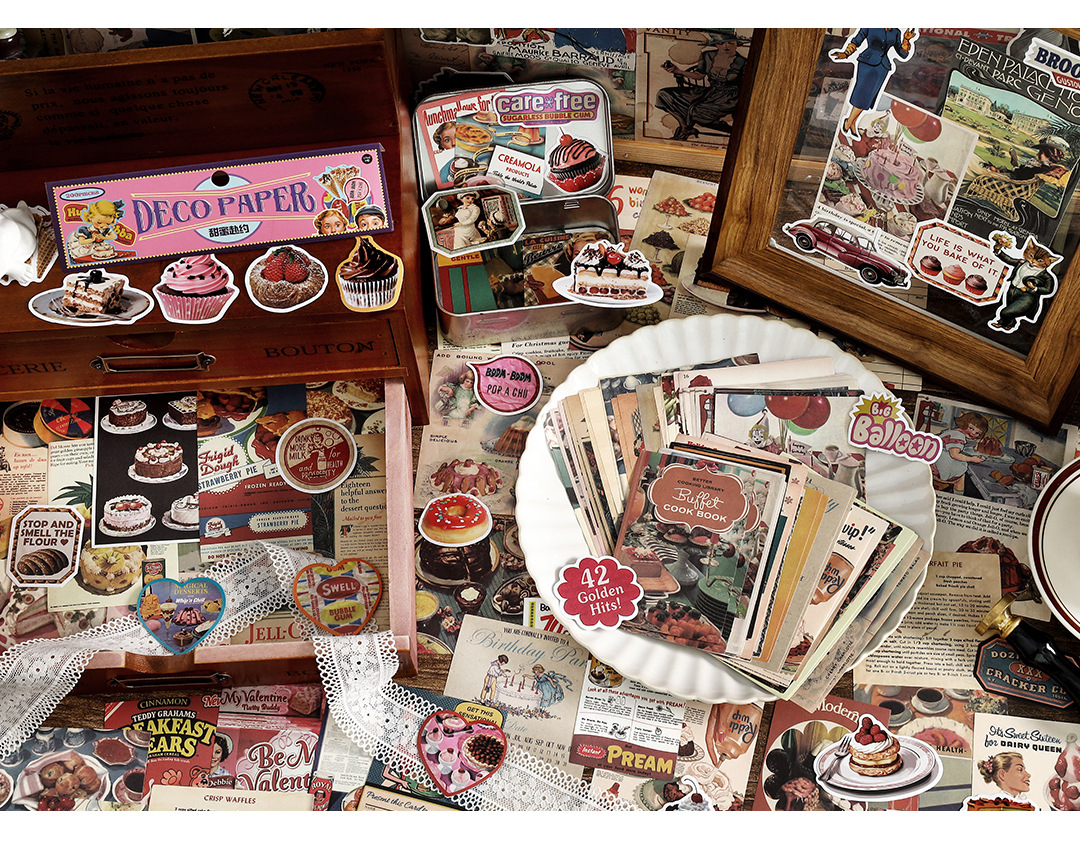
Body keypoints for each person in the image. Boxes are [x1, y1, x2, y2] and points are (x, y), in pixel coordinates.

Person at [655, 34, 746, 141]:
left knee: (697, 113)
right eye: (721, 43)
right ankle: (685, 127)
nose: (726, 46)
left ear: (737, 43)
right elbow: (699, 75)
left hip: (730, 96)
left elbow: (746, 85)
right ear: (715, 44)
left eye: (730, 43)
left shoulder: (743, 62)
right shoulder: (707, 55)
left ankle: (732, 130)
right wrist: (678, 71)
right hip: (709, 92)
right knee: (663, 95)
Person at [830, 28, 917, 139]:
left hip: (882, 68)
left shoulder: (896, 32)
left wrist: (906, 40)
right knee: (861, 92)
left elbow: (902, 54)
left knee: (869, 97)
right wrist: (846, 53)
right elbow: (857, 40)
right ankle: (849, 121)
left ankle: (852, 122)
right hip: (867, 63)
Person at [989, 234, 1061, 333]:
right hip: (1012, 290)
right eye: (1031, 256)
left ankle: (1005, 321)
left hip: (1027, 296)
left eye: (1039, 261)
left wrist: (1035, 288)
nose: (1033, 261)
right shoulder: (1022, 263)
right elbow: (1008, 260)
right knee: (1009, 309)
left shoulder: (1046, 276)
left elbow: (1048, 290)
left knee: (1006, 312)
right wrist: (998, 251)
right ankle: (1007, 324)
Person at [932, 410, 990, 493]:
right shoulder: (958, 436)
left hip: (933, 461)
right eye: (971, 428)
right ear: (964, 423)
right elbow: (954, 454)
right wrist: (972, 459)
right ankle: (958, 494)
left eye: (977, 433)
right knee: (962, 474)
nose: (973, 433)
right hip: (940, 466)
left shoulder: (951, 431)